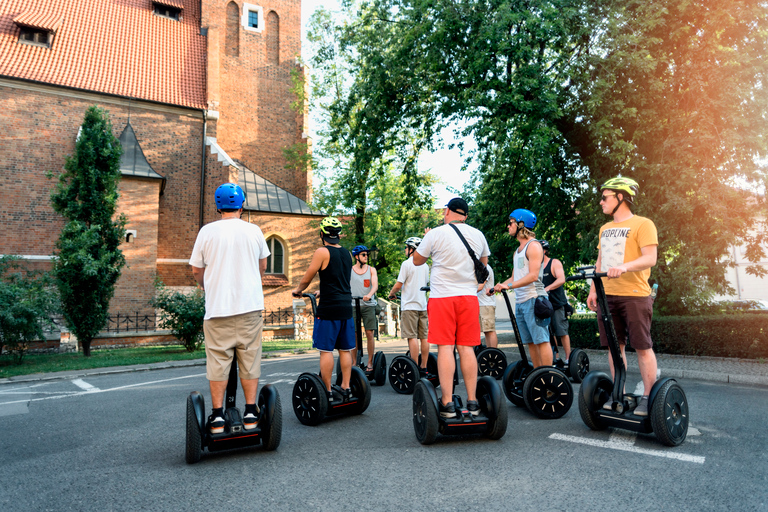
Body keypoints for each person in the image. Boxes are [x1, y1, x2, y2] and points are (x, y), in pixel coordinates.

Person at [189, 183, 270, 434]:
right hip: (250, 308)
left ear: (218, 206)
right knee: (250, 358)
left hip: (218, 310)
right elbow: (263, 266)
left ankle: (216, 416)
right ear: (241, 205)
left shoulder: (206, 231)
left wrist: (206, 285)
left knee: (218, 362)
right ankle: (249, 412)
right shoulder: (254, 230)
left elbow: (196, 269)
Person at [587, 176, 658, 417]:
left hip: (635, 295)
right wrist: (593, 289)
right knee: (614, 349)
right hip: (609, 296)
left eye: (604, 197)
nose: (600, 202)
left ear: (620, 198)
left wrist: (625, 267)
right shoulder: (604, 229)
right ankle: (621, 394)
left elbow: (650, 258)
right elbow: (601, 260)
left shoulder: (643, 224)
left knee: (642, 347)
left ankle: (648, 397)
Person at [413, 197, 490, 418]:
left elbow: (417, 260)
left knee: (446, 348)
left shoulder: (435, 233)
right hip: (467, 297)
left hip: (442, 298)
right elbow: (483, 263)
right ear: (465, 215)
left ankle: (447, 403)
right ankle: (473, 402)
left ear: (447, 211)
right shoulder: (478, 235)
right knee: (467, 348)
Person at [291, 217, 354, 403]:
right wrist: (323, 289)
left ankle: (327, 391)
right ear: (338, 234)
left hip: (329, 309)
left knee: (326, 351)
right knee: (345, 349)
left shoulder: (322, 251)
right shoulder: (347, 254)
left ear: (322, 234)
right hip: (345, 307)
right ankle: (346, 387)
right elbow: (340, 280)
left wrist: (298, 291)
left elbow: (307, 277)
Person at [492, 209, 552, 369]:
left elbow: (533, 276)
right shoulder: (518, 251)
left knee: (542, 339)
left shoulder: (534, 246)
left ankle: (547, 375)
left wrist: (509, 286)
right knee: (531, 342)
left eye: (511, 222)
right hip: (521, 301)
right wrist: (498, 286)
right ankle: (537, 374)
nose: (508, 226)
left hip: (534, 299)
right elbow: (514, 278)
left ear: (521, 224)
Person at [388, 236, 430, 376]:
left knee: (412, 337)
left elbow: (398, 285)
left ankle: (414, 368)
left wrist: (391, 293)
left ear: (412, 249)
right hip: (422, 306)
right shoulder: (425, 266)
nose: (405, 250)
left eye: (407, 247)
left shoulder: (407, 264)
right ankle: (424, 367)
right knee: (424, 337)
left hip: (410, 306)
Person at [540, 240, 572, 362]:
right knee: (548, 333)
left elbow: (561, 279)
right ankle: (555, 357)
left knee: (561, 331)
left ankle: (569, 358)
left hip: (557, 304)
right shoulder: (536, 266)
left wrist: (547, 288)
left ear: (544, 251)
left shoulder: (554, 263)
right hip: (543, 306)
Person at [350, 245, 379, 372]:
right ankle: (354, 363)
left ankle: (370, 363)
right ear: (356, 257)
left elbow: (375, 285)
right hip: (353, 305)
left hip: (368, 305)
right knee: (354, 335)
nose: (366, 257)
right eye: (363, 255)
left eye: (367, 254)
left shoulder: (371, 270)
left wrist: (369, 294)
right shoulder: (349, 270)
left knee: (369, 333)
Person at [478, 264, 498, 348]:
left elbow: (480, 286)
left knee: (489, 330)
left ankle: (493, 353)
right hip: (480, 303)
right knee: (486, 332)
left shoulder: (485, 267)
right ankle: (489, 351)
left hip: (486, 304)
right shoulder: (478, 267)